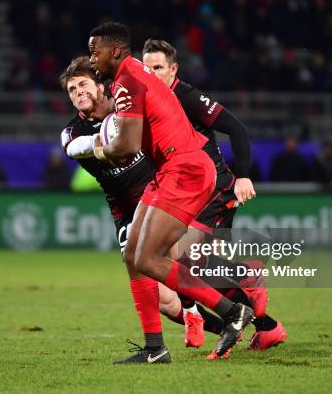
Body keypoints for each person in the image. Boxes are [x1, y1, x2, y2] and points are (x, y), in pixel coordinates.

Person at [89, 22, 254, 363]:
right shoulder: (131, 74)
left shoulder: (128, 81)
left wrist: (95, 147)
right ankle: (154, 348)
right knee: (134, 256)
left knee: (150, 257)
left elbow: (128, 146)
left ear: (116, 51)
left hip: (186, 169)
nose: (92, 59)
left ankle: (232, 311)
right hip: (169, 170)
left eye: (96, 51)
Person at [142, 38, 286, 354]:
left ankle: (244, 281)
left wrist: (243, 176)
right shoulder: (148, 102)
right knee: (190, 266)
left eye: (158, 67)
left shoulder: (186, 95)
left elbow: (237, 129)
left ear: (173, 69)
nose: (151, 74)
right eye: (146, 68)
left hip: (214, 187)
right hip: (187, 191)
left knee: (181, 258)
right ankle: (267, 326)